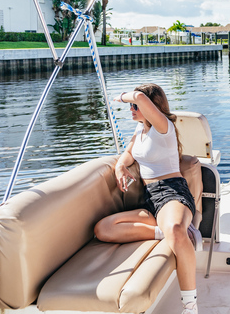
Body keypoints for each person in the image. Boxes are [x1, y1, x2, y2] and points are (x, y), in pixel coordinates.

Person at [94, 83, 203, 314]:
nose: (131, 108)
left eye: (135, 105)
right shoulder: (140, 130)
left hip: (172, 192)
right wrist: (120, 168)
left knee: (174, 227)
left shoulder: (164, 127)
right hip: (150, 198)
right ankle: (168, 232)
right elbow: (127, 155)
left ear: (151, 106)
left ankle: (190, 306)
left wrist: (122, 96)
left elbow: (141, 97)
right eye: (131, 105)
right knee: (103, 229)